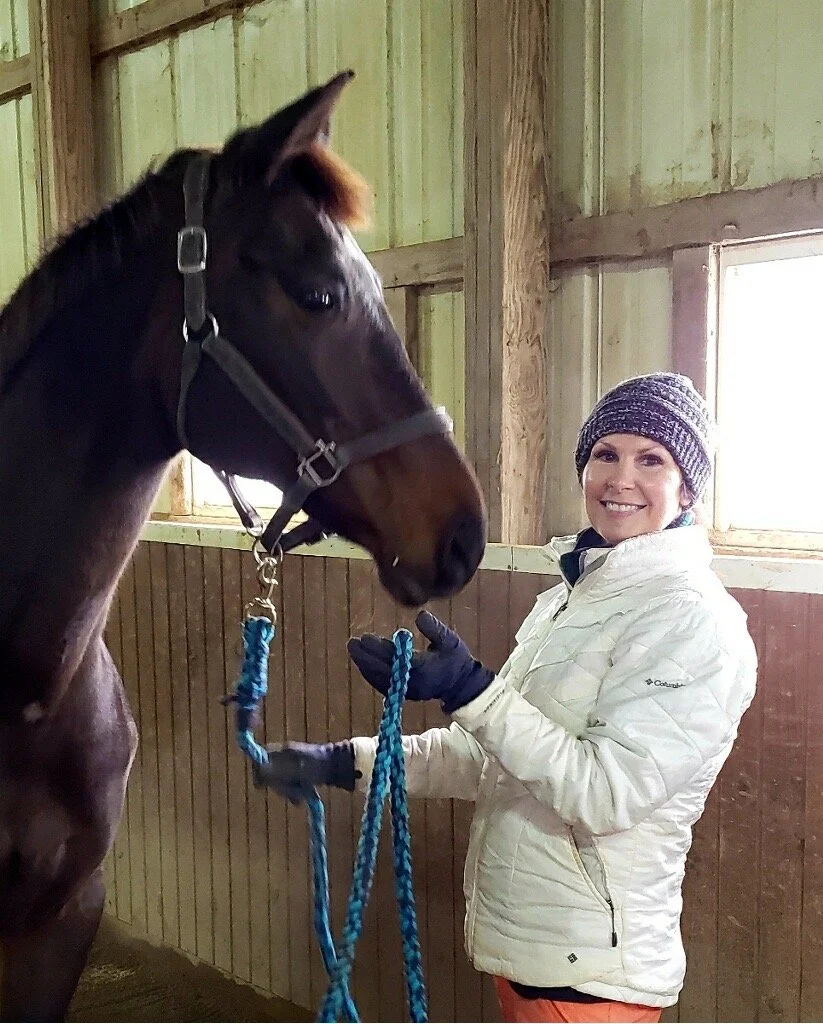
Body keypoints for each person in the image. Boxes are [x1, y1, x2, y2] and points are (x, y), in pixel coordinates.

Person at [254, 372, 757, 1023]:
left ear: (686, 486)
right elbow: (487, 756)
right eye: (605, 454)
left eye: (650, 460)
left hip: (591, 967)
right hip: (537, 948)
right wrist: (343, 762)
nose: (619, 479)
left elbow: (603, 794)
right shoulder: (571, 598)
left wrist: (471, 690)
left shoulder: (692, 621)